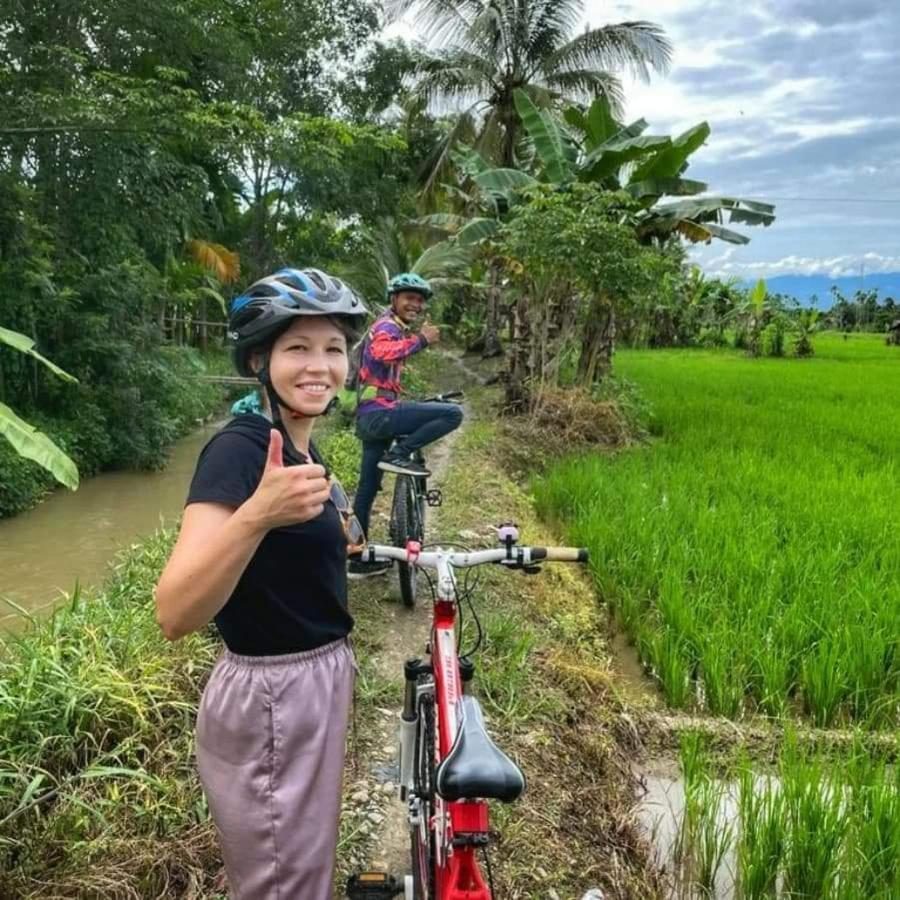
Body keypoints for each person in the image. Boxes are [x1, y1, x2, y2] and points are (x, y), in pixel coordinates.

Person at [154, 267, 368, 899]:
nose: (319, 366)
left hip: (315, 682)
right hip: (275, 694)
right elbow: (175, 612)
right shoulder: (241, 451)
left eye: (333, 348)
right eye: (297, 348)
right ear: (258, 360)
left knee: (302, 864)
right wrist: (257, 515)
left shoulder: (302, 447)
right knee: (284, 881)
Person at [349, 272, 463, 578]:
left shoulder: (394, 327)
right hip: (380, 413)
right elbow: (380, 353)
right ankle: (400, 452)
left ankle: (357, 555)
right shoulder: (387, 326)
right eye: (409, 298)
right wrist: (422, 340)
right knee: (453, 415)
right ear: (394, 299)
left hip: (369, 417)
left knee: (367, 488)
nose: (415, 304)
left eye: (419, 300)